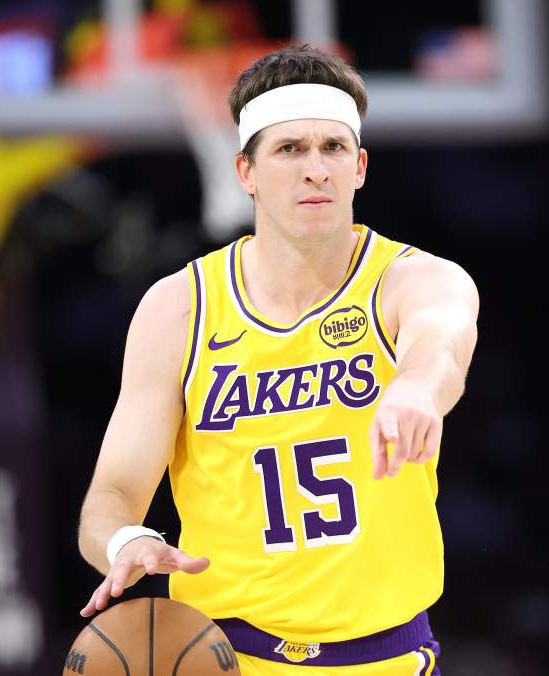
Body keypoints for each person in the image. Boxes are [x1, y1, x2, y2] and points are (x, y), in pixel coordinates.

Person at [78, 44, 479, 675]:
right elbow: (112, 494)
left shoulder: (416, 280)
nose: (315, 169)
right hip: (225, 655)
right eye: (290, 149)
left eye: (333, 148)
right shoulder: (179, 308)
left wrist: (415, 390)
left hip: (386, 656)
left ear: (359, 167)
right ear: (246, 171)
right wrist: (127, 540)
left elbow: (441, 346)